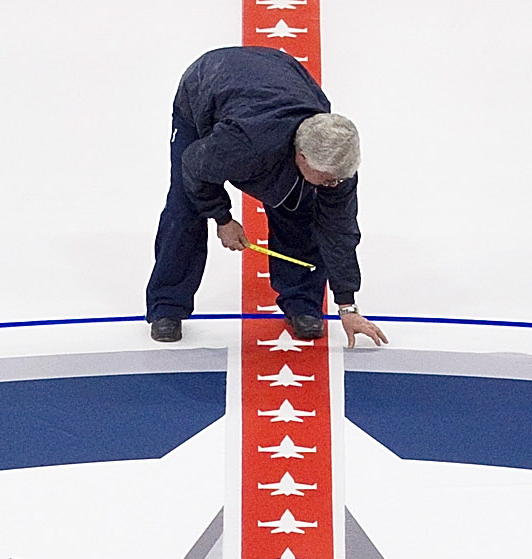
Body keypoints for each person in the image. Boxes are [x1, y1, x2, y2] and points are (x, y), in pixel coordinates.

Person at [144, 46, 387, 347]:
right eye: (327, 179)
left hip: (275, 76)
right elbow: (194, 166)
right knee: (185, 209)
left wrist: (347, 305)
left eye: (338, 178)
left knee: (300, 209)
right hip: (206, 86)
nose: (333, 184)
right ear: (302, 157)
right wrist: (222, 217)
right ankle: (167, 306)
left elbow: (338, 231)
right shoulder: (244, 146)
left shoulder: (336, 163)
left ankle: (302, 303)